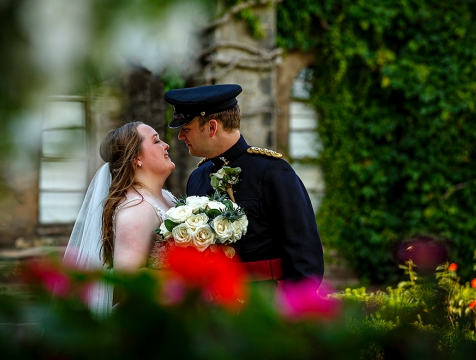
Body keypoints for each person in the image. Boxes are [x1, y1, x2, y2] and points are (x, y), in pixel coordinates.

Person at [165, 84, 324, 290]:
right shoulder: (197, 177)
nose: (180, 137)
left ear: (212, 128)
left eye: (186, 129)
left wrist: (288, 312)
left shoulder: (272, 172)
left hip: (265, 304)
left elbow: (306, 258)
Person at [63, 121, 176, 316]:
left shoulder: (166, 197)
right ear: (137, 158)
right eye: (156, 141)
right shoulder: (136, 209)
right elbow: (128, 282)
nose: (165, 145)